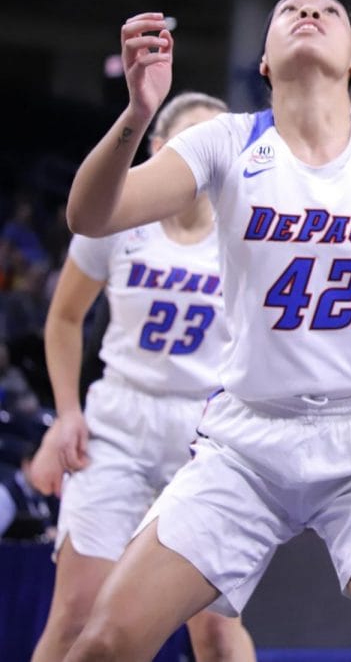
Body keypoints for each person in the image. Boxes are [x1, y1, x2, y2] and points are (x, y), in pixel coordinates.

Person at [61, 0, 351, 662]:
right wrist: (137, 113)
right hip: (248, 440)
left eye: (329, 11)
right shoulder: (226, 140)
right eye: (288, 10)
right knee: (104, 642)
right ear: (264, 61)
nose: (308, 13)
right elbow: (92, 215)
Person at [28, 92, 256, 662]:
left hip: (209, 435)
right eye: (188, 144)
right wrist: (66, 414)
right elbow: (63, 317)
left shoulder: (252, 231)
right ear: (159, 150)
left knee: (216, 632)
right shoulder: (115, 217)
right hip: (119, 423)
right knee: (77, 617)